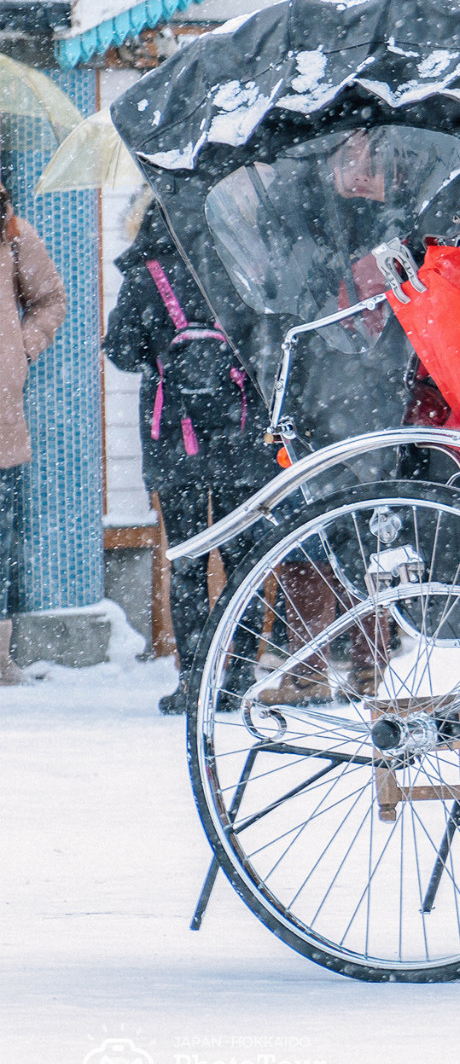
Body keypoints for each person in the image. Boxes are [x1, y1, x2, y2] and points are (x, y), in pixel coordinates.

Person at [104, 203, 275, 714]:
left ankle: (194, 681)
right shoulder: (239, 263)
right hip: (240, 440)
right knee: (244, 558)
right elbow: (265, 338)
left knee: (187, 563)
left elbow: (122, 351)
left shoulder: (145, 275)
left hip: (174, 444)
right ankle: (240, 674)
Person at [0, 180, 66, 685]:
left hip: (0, 415)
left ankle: (0, 658)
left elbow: (50, 298)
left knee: (1, 541)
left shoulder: (13, 231)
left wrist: (22, 348)